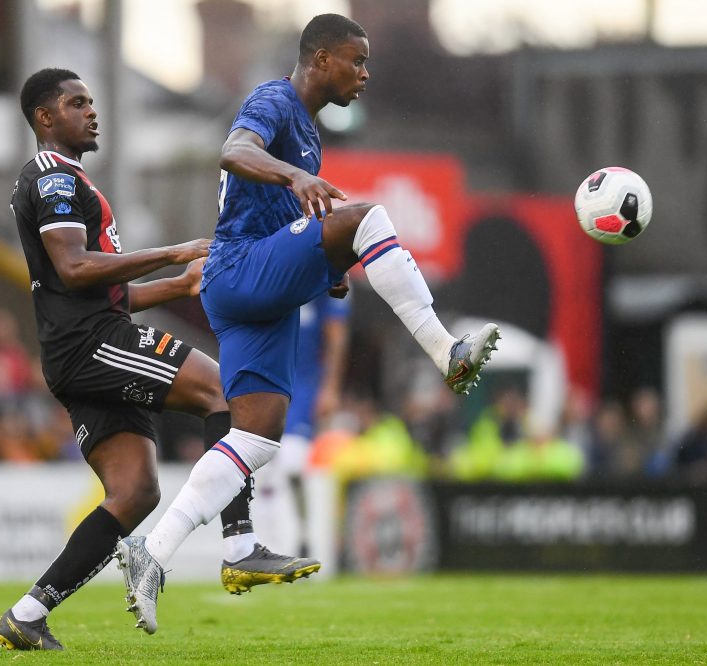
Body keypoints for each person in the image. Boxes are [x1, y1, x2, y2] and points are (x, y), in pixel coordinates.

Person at [116, 13, 500, 634]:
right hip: (240, 269)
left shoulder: (312, 135)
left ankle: (151, 553)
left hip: (246, 292)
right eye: (356, 60)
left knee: (257, 439)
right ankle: (446, 350)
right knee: (368, 215)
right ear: (321, 59)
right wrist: (296, 176)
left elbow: (280, 215)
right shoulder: (274, 99)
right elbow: (233, 150)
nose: (365, 73)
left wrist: (327, 267)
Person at [0, 68, 309, 651]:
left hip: (80, 344)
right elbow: (76, 269)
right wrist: (173, 250)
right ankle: (239, 548)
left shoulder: (63, 181)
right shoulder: (54, 179)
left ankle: (27, 614)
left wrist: (178, 284)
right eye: (75, 103)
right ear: (44, 118)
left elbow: (102, 287)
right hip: (93, 343)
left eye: (91, 100)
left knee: (136, 491)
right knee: (224, 391)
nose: (91, 111)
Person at [255, 292, 350, 559]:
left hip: (304, 386)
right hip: (268, 380)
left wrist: (331, 387)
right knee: (263, 465)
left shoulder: (323, 276)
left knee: (292, 461)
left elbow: (336, 332)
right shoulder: (272, 270)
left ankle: (303, 535)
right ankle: (268, 545)